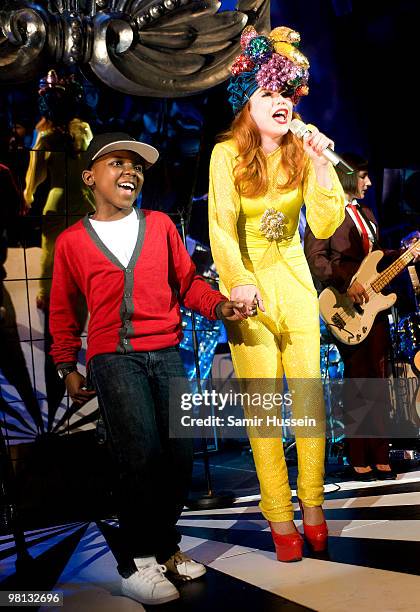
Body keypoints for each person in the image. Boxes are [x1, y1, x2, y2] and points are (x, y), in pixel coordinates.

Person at [49, 132, 248, 605]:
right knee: (138, 454)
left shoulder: (159, 225)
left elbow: (188, 283)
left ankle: (164, 544)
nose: (130, 172)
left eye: (137, 166)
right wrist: (65, 365)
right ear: (89, 177)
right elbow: (63, 311)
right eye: (117, 163)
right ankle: (137, 562)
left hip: (165, 353)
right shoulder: (72, 242)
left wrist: (219, 306)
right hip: (112, 358)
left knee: (178, 456)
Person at [208, 25, 345, 562]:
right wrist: (238, 282)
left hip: (294, 281)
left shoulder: (300, 153)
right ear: (248, 102)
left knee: (309, 399)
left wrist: (318, 162)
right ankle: (277, 515)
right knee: (265, 409)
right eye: (269, 92)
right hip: (248, 288)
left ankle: (312, 505)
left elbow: (330, 220)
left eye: (287, 94)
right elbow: (220, 227)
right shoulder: (226, 157)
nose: (281, 103)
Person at [304, 152, 417, 481]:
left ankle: (380, 453)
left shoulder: (367, 213)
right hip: (345, 305)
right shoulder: (327, 212)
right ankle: (358, 455)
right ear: (348, 175)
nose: (369, 182)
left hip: (374, 309)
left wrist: (407, 251)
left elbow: (378, 258)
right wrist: (344, 283)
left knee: (378, 383)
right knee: (357, 383)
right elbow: (316, 258)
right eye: (364, 175)